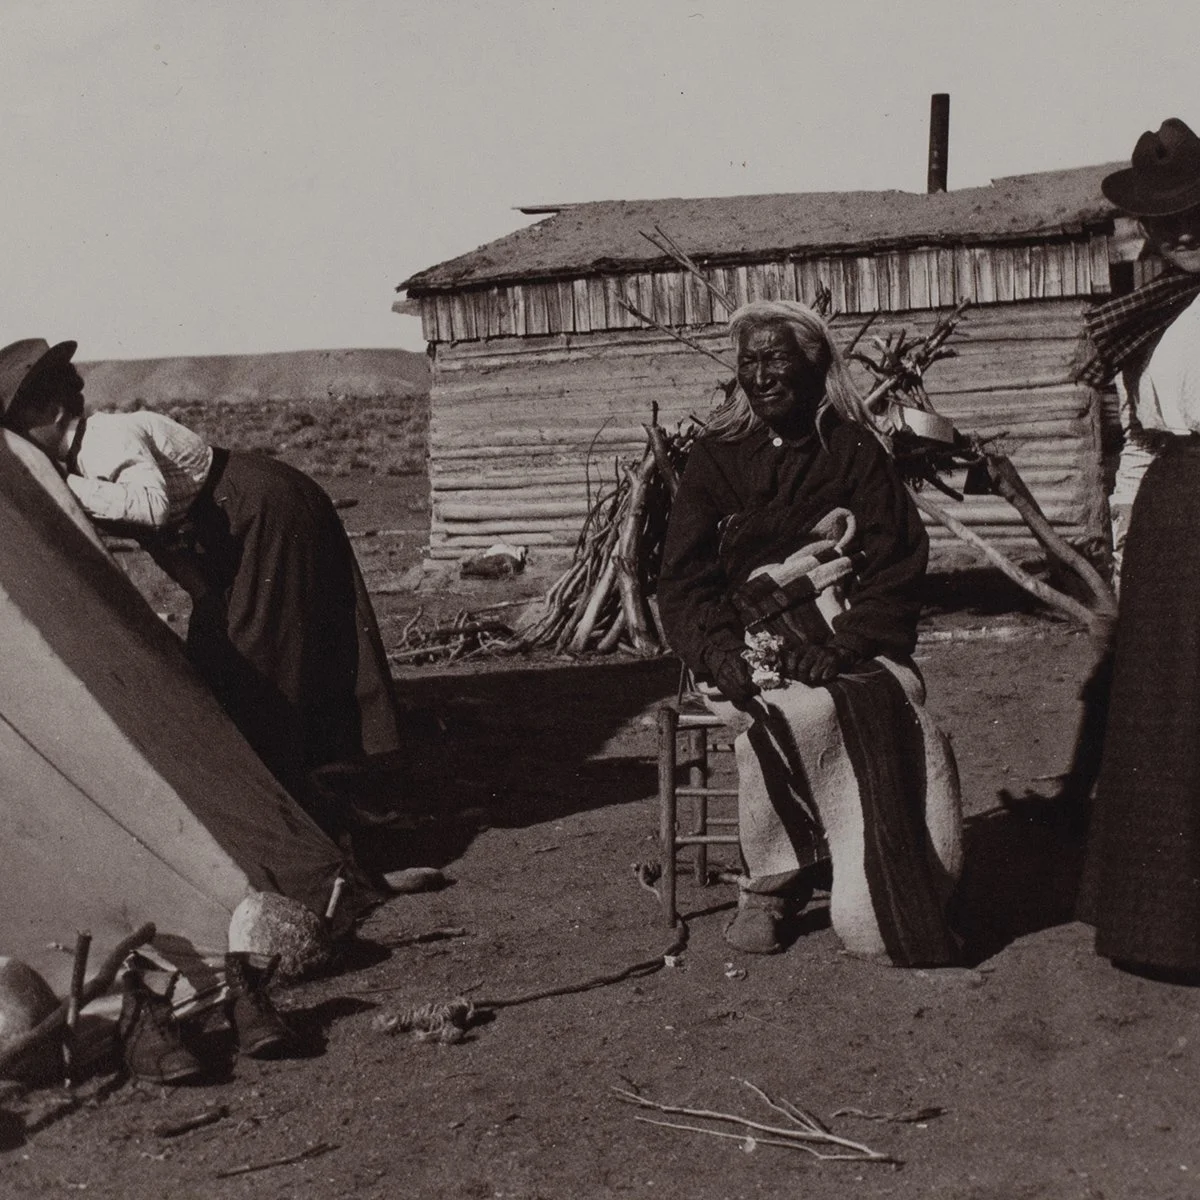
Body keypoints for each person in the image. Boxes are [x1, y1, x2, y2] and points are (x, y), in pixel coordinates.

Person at [656, 300, 962, 965]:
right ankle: (768, 884)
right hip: (741, 641)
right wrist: (716, 651)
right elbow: (683, 581)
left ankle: (881, 865)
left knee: (887, 700)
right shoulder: (716, 457)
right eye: (749, 361)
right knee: (772, 710)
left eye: (776, 359)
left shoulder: (853, 451)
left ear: (813, 363)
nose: (761, 376)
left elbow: (894, 562)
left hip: (845, 631)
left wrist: (845, 641)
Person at [0, 337, 404, 833]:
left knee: (265, 654)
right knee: (220, 651)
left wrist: (63, 489)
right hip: (234, 529)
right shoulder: (84, 464)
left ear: (53, 409)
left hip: (266, 512)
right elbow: (156, 538)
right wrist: (203, 597)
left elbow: (151, 508)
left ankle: (317, 801)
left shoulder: (106, 439)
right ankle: (296, 793)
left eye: (18, 423)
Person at [1074, 118, 1200, 981]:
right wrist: (1126, 545)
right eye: (1165, 222)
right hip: (1170, 518)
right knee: (1162, 711)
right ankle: (1163, 929)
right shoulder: (1149, 316)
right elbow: (1142, 447)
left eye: (1196, 214)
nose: (1181, 234)